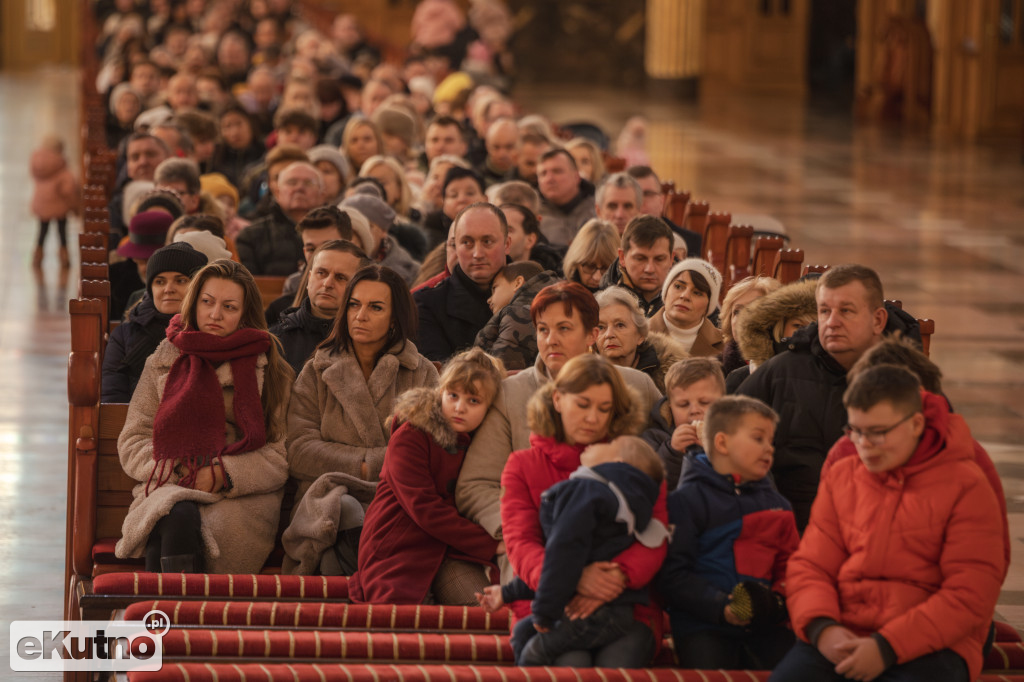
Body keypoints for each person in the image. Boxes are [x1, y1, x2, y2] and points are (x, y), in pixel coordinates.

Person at [770, 365, 1006, 682]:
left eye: (878, 432)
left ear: (916, 424)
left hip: (933, 644)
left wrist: (887, 647)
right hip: (844, 631)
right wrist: (823, 629)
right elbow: (811, 565)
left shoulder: (966, 484)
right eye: (855, 430)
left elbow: (970, 592)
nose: (864, 444)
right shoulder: (843, 476)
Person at [455, 283, 663, 570]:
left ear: (592, 334)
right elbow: (476, 485)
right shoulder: (510, 393)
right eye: (543, 329)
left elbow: (659, 473)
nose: (551, 339)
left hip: (617, 538)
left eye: (564, 328)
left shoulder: (636, 386)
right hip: (535, 544)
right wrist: (524, 528)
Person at [115, 259, 294, 574]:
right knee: (175, 513)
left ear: (245, 313)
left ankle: (165, 616)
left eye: (229, 307)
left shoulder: (272, 370)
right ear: (194, 303)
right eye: (208, 302)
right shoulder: (164, 359)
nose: (215, 314)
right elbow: (134, 439)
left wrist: (221, 474)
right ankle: (186, 614)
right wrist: (181, 468)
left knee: (173, 521)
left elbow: (279, 456)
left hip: (241, 496)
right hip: (171, 479)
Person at [497, 354, 667, 667]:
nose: (593, 418)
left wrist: (617, 577)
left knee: (616, 664)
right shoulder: (522, 465)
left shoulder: (635, 460)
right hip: (546, 602)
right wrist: (572, 577)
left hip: (625, 604)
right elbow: (521, 544)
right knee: (570, 664)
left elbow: (656, 534)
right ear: (558, 399)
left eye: (604, 409)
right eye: (583, 404)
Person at [735, 264, 920, 530]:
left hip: (878, 531)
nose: (832, 322)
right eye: (824, 311)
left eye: (845, 311)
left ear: (878, 320)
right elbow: (728, 443)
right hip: (786, 529)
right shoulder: (781, 371)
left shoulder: (908, 380)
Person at [479, 436, 670, 666]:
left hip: (593, 611)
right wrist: (508, 593)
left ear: (616, 463)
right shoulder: (618, 503)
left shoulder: (588, 491)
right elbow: (556, 562)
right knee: (523, 632)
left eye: (606, 445)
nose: (592, 444)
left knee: (536, 652)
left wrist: (544, 612)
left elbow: (562, 556)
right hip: (602, 607)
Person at [346, 348, 504, 605]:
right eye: (453, 395)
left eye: (473, 401)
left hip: (452, 549)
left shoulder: (484, 441)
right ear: (441, 392)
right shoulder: (412, 435)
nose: (459, 408)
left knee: (484, 612)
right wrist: (490, 544)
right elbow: (424, 508)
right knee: (406, 630)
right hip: (399, 547)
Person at [659, 395, 798, 669]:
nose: (769, 449)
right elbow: (672, 574)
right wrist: (720, 606)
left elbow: (792, 566)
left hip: (767, 623)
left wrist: (778, 603)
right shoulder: (685, 501)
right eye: (758, 439)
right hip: (703, 624)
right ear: (721, 442)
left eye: (771, 441)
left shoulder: (779, 506)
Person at [286, 265, 438, 504]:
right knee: (341, 509)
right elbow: (298, 450)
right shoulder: (317, 369)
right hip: (326, 500)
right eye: (354, 304)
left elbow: (428, 451)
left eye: (375, 307)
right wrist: (364, 467)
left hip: (398, 499)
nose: (360, 315)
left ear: (394, 319)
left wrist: (367, 467)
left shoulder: (421, 372)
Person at [102, 243, 209, 403]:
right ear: (150, 289)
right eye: (160, 282)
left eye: (180, 280)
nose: (168, 289)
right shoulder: (124, 335)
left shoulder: (210, 330)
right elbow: (113, 397)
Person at [414, 202, 510, 362]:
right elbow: (438, 373)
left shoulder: (536, 293)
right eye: (467, 242)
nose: (477, 254)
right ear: (455, 247)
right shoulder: (426, 304)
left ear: (507, 244)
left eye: (487, 242)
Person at [270, 240, 370, 374]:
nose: (327, 283)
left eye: (340, 277)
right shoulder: (275, 341)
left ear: (359, 287)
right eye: (321, 273)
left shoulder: (370, 341)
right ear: (309, 278)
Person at [641, 358, 727, 490]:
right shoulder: (655, 437)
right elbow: (650, 485)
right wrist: (673, 452)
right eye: (683, 404)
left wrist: (716, 452)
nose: (694, 411)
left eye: (704, 402)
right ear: (670, 408)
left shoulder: (735, 433)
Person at [729, 278, 816, 392]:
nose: (806, 332)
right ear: (781, 328)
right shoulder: (741, 378)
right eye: (798, 325)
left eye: (814, 326)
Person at [594, 287, 688, 393]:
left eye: (620, 325)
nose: (609, 334)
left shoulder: (672, 378)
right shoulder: (582, 375)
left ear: (640, 336)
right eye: (601, 327)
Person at [236, 162, 323, 276]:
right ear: (277, 192)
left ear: (321, 194)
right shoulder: (250, 236)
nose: (299, 188)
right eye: (292, 182)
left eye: (308, 183)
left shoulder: (335, 234)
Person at [475, 261, 561, 371]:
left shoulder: (517, 313)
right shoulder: (553, 306)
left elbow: (501, 371)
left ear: (518, 283)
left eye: (494, 288)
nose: (489, 300)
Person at [600, 215, 675, 317]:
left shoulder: (691, 298)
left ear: (671, 259)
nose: (650, 269)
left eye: (659, 259)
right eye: (640, 258)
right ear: (622, 257)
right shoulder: (596, 303)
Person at [650, 258, 725, 357]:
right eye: (678, 286)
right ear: (666, 291)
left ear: (709, 305)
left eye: (697, 293)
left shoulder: (725, 345)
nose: (685, 296)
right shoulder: (637, 333)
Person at [29, 135, 79, 268]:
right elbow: (69, 190)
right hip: (60, 207)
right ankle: (64, 257)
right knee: (62, 233)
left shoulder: (37, 163)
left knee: (42, 232)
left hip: (42, 206)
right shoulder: (61, 168)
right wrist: (75, 207)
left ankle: (37, 257)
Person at [718, 275, 781, 376]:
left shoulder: (787, 366)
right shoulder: (714, 370)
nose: (742, 318)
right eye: (737, 312)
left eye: (753, 310)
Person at [536, 149, 596, 246]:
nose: (549, 179)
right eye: (543, 174)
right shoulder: (533, 215)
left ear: (576, 176)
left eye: (557, 171)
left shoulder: (598, 209)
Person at [562, 218, 619, 293]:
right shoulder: (562, 298)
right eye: (590, 267)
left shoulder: (629, 299)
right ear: (575, 263)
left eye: (606, 268)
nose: (597, 277)